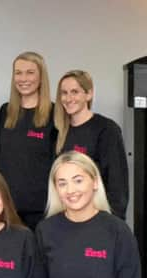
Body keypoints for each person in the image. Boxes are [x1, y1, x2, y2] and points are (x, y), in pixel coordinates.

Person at [54, 70, 129, 219]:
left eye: (75, 92)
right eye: (64, 93)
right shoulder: (58, 129)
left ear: (88, 94)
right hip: (66, 216)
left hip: (96, 216)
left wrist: (114, 222)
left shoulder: (106, 129)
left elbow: (117, 183)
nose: (68, 98)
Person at [0, 51, 57, 230]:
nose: (23, 78)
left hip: (42, 209)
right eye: (18, 72)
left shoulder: (55, 114)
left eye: (30, 72)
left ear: (41, 77)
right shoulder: (5, 112)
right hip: (8, 208)